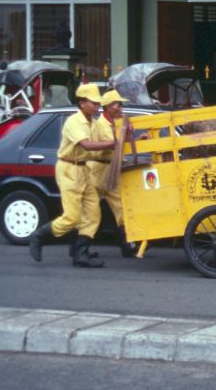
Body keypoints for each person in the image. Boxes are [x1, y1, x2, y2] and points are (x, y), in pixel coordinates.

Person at [27, 83, 114, 267]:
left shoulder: (93, 122)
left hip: (84, 169)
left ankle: (80, 253)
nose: (97, 106)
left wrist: (129, 140)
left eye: (98, 103)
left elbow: (103, 143)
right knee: (72, 217)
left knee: (93, 214)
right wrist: (112, 144)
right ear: (82, 103)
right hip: (69, 169)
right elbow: (87, 145)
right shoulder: (74, 121)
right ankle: (39, 235)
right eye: (94, 103)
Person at [88, 89, 135, 258]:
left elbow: (124, 145)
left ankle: (127, 246)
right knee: (90, 213)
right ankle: (79, 249)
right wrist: (112, 143)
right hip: (97, 173)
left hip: (112, 173)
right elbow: (93, 148)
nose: (120, 107)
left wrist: (131, 135)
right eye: (117, 104)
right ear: (107, 107)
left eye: (121, 104)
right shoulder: (98, 125)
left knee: (121, 209)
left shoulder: (119, 123)